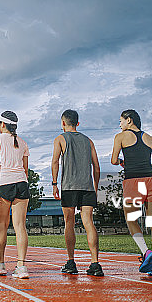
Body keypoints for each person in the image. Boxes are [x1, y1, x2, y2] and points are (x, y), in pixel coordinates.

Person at [110, 109, 152, 278]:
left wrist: (124, 162)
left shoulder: (120, 137)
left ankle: (146, 252)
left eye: (121, 121)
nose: (120, 124)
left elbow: (114, 160)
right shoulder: (150, 137)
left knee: (131, 219)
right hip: (151, 180)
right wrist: (146, 166)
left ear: (129, 120)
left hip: (133, 181)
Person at [51, 110, 103, 277]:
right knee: (88, 222)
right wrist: (95, 186)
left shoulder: (60, 139)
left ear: (63, 123)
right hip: (87, 187)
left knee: (69, 222)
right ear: (77, 123)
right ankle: (95, 264)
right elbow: (96, 166)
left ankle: (71, 262)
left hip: (69, 186)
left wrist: (54, 184)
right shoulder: (88, 141)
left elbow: (55, 162)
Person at [0, 111, 30, 279]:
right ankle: (21, 266)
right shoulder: (23, 142)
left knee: (2, 226)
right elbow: (25, 169)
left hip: (3, 184)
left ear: (3, 124)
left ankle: (0, 264)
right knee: (20, 226)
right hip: (21, 184)